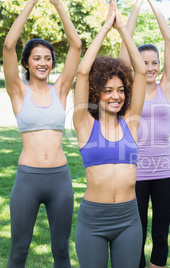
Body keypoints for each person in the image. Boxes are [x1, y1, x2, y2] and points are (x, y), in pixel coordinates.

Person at [3, 0, 81, 267]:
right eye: (37, 58)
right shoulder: (17, 90)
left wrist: (59, 5)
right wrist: (31, 3)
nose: (43, 62)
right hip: (28, 181)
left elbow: (76, 46)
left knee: (61, 251)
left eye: (47, 58)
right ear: (26, 62)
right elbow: (8, 45)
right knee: (19, 252)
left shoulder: (59, 89)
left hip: (60, 180)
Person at [73, 0, 146, 267]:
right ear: (96, 92)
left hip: (129, 218)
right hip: (94, 219)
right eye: (108, 89)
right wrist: (105, 28)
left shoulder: (131, 124)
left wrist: (123, 29)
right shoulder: (84, 123)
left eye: (121, 90)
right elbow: (82, 72)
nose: (116, 96)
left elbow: (139, 71)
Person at [120, 0, 170, 267]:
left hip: (166, 171)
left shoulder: (168, 85)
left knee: (161, 234)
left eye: (155, 63)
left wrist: (152, 4)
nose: (151, 67)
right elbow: (125, 44)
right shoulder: (130, 88)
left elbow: (169, 40)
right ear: (136, 65)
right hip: (136, 171)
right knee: (137, 232)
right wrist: (135, 6)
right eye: (144, 63)